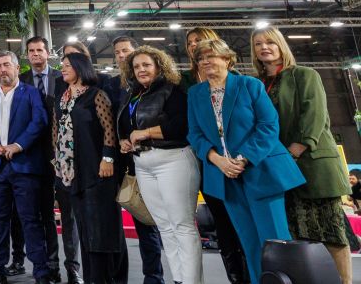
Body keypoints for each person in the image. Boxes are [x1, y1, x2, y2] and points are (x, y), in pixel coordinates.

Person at [187, 39, 305, 284]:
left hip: (261, 172)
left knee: (274, 241)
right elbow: (195, 134)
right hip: (224, 177)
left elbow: (268, 125)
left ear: (227, 59)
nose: (205, 61)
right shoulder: (195, 93)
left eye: (211, 56)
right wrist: (216, 159)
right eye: (200, 58)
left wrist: (243, 159)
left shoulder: (249, 85)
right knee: (249, 243)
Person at [250, 27, 353, 284]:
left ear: (281, 45)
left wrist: (296, 149)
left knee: (331, 233)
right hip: (281, 169)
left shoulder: (305, 74)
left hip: (313, 165)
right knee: (297, 235)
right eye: (258, 44)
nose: (264, 47)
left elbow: (314, 114)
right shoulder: (257, 84)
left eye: (270, 42)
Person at [117, 46, 201, 284]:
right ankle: (179, 280)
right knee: (164, 227)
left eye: (146, 65)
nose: (141, 70)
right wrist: (124, 140)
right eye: (136, 66)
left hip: (173, 160)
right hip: (143, 164)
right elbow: (126, 127)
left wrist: (145, 133)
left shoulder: (173, 90)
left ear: (159, 66)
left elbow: (181, 125)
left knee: (182, 226)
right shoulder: (133, 94)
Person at [0, 50, 53, 284]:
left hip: (24, 166)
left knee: (30, 219)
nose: (2, 69)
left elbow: (39, 121)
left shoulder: (31, 93)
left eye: (6, 65)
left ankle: (41, 271)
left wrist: (18, 145)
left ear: (17, 68)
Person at [179, 27, 248, 284]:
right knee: (222, 223)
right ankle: (236, 277)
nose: (193, 45)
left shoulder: (240, 80)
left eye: (199, 40)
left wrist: (241, 158)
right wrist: (214, 157)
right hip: (206, 162)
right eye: (190, 42)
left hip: (242, 164)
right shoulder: (184, 82)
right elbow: (191, 128)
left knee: (245, 223)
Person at [54, 52, 127, 284]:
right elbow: (55, 133)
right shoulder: (62, 99)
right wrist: (56, 162)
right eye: (62, 65)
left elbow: (109, 130)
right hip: (71, 176)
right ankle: (92, 278)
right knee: (85, 231)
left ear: (80, 68)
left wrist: (108, 158)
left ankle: (109, 277)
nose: (63, 69)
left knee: (102, 230)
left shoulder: (96, 95)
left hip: (98, 172)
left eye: (67, 65)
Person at [19, 36, 78, 283]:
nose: (35, 54)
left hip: (62, 155)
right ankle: (51, 265)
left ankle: (73, 267)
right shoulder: (20, 80)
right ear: (27, 55)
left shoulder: (62, 76)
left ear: (48, 52)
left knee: (68, 215)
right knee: (44, 215)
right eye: (31, 51)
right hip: (33, 156)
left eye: (39, 50)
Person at [109, 36, 164, 284]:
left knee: (147, 224)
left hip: (155, 161)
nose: (122, 55)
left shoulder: (150, 86)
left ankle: (153, 277)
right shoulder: (113, 85)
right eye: (118, 52)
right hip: (123, 163)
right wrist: (122, 139)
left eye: (126, 51)